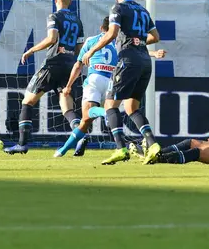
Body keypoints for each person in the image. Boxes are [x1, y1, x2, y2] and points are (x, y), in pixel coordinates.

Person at [55, 17, 166, 157]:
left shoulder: (91, 41)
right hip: (111, 82)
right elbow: (132, 51)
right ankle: (62, 150)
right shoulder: (118, 42)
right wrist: (154, 54)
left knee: (88, 114)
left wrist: (69, 86)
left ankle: (104, 114)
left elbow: (78, 65)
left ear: (102, 28)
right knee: (84, 122)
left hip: (95, 79)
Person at [81, 0, 162, 165]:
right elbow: (155, 37)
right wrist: (138, 41)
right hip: (144, 61)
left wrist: (92, 50)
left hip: (128, 61)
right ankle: (153, 144)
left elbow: (112, 33)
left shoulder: (117, 8)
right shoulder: (143, 10)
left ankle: (120, 148)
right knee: (131, 107)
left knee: (110, 105)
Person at [5, 0, 84, 154]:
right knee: (66, 107)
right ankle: (80, 136)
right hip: (69, 65)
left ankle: (22, 144)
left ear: (56, 0)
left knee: (27, 101)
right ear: (69, 1)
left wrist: (31, 50)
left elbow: (52, 39)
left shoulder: (54, 17)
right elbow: (80, 48)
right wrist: (72, 61)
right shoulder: (78, 21)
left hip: (52, 64)